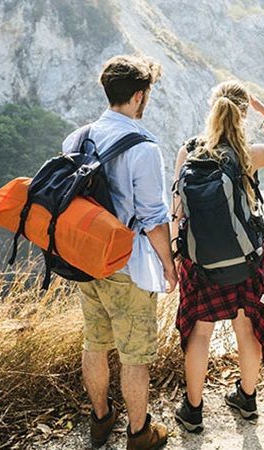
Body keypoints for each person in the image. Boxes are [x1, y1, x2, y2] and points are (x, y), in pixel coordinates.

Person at [171, 80, 264, 433]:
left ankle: (193, 411)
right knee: (246, 328)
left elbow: (177, 213)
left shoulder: (189, 152)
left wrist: (177, 259)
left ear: (211, 109)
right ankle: (246, 399)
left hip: (199, 263)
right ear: (242, 114)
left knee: (200, 333)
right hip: (247, 261)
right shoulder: (247, 154)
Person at [62, 55, 177, 450]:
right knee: (134, 355)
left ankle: (100, 419)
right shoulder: (143, 147)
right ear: (140, 96)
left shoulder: (76, 138)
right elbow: (153, 218)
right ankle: (139, 433)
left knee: (94, 343)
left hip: (85, 262)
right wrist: (169, 265)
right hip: (128, 267)